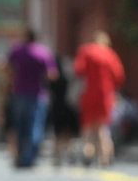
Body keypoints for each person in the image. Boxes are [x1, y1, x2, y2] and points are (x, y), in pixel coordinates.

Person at [73, 30, 125, 167]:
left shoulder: (85, 51)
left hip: (89, 92)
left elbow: (78, 70)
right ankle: (105, 156)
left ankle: (88, 151)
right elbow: (119, 76)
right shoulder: (110, 54)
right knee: (102, 126)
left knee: (88, 127)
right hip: (106, 94)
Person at [7, 29, 58, 168]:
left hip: (19, 93)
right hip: (38, 94)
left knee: (20, 127)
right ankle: (30, 157)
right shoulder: (43, 52)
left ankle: (20, 156)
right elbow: (52, 74)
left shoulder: (17, 51)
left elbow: (8, 69)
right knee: (35, 127)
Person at [49, 54, 79, 166]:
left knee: (57, 134)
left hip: (56, 107)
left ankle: (56, 156)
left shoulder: (53, 79)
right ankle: (69, 152)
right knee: (68, 133)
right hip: (68, 106)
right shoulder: (68, 78)